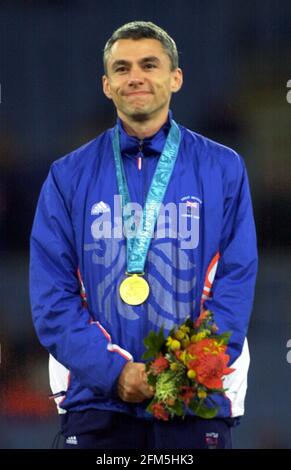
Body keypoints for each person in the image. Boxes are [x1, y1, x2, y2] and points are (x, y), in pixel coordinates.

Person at [29, 21, 258, 449]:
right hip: (97, 403)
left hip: (194, 402)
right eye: (122, 68)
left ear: (176, 78)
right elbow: (52, 298)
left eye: (149, 64)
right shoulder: (67, 176)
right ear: (106, 84)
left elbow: (235, 284)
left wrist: (183, 372)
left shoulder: (223, 168)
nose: (135, 76)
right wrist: (114, 373)